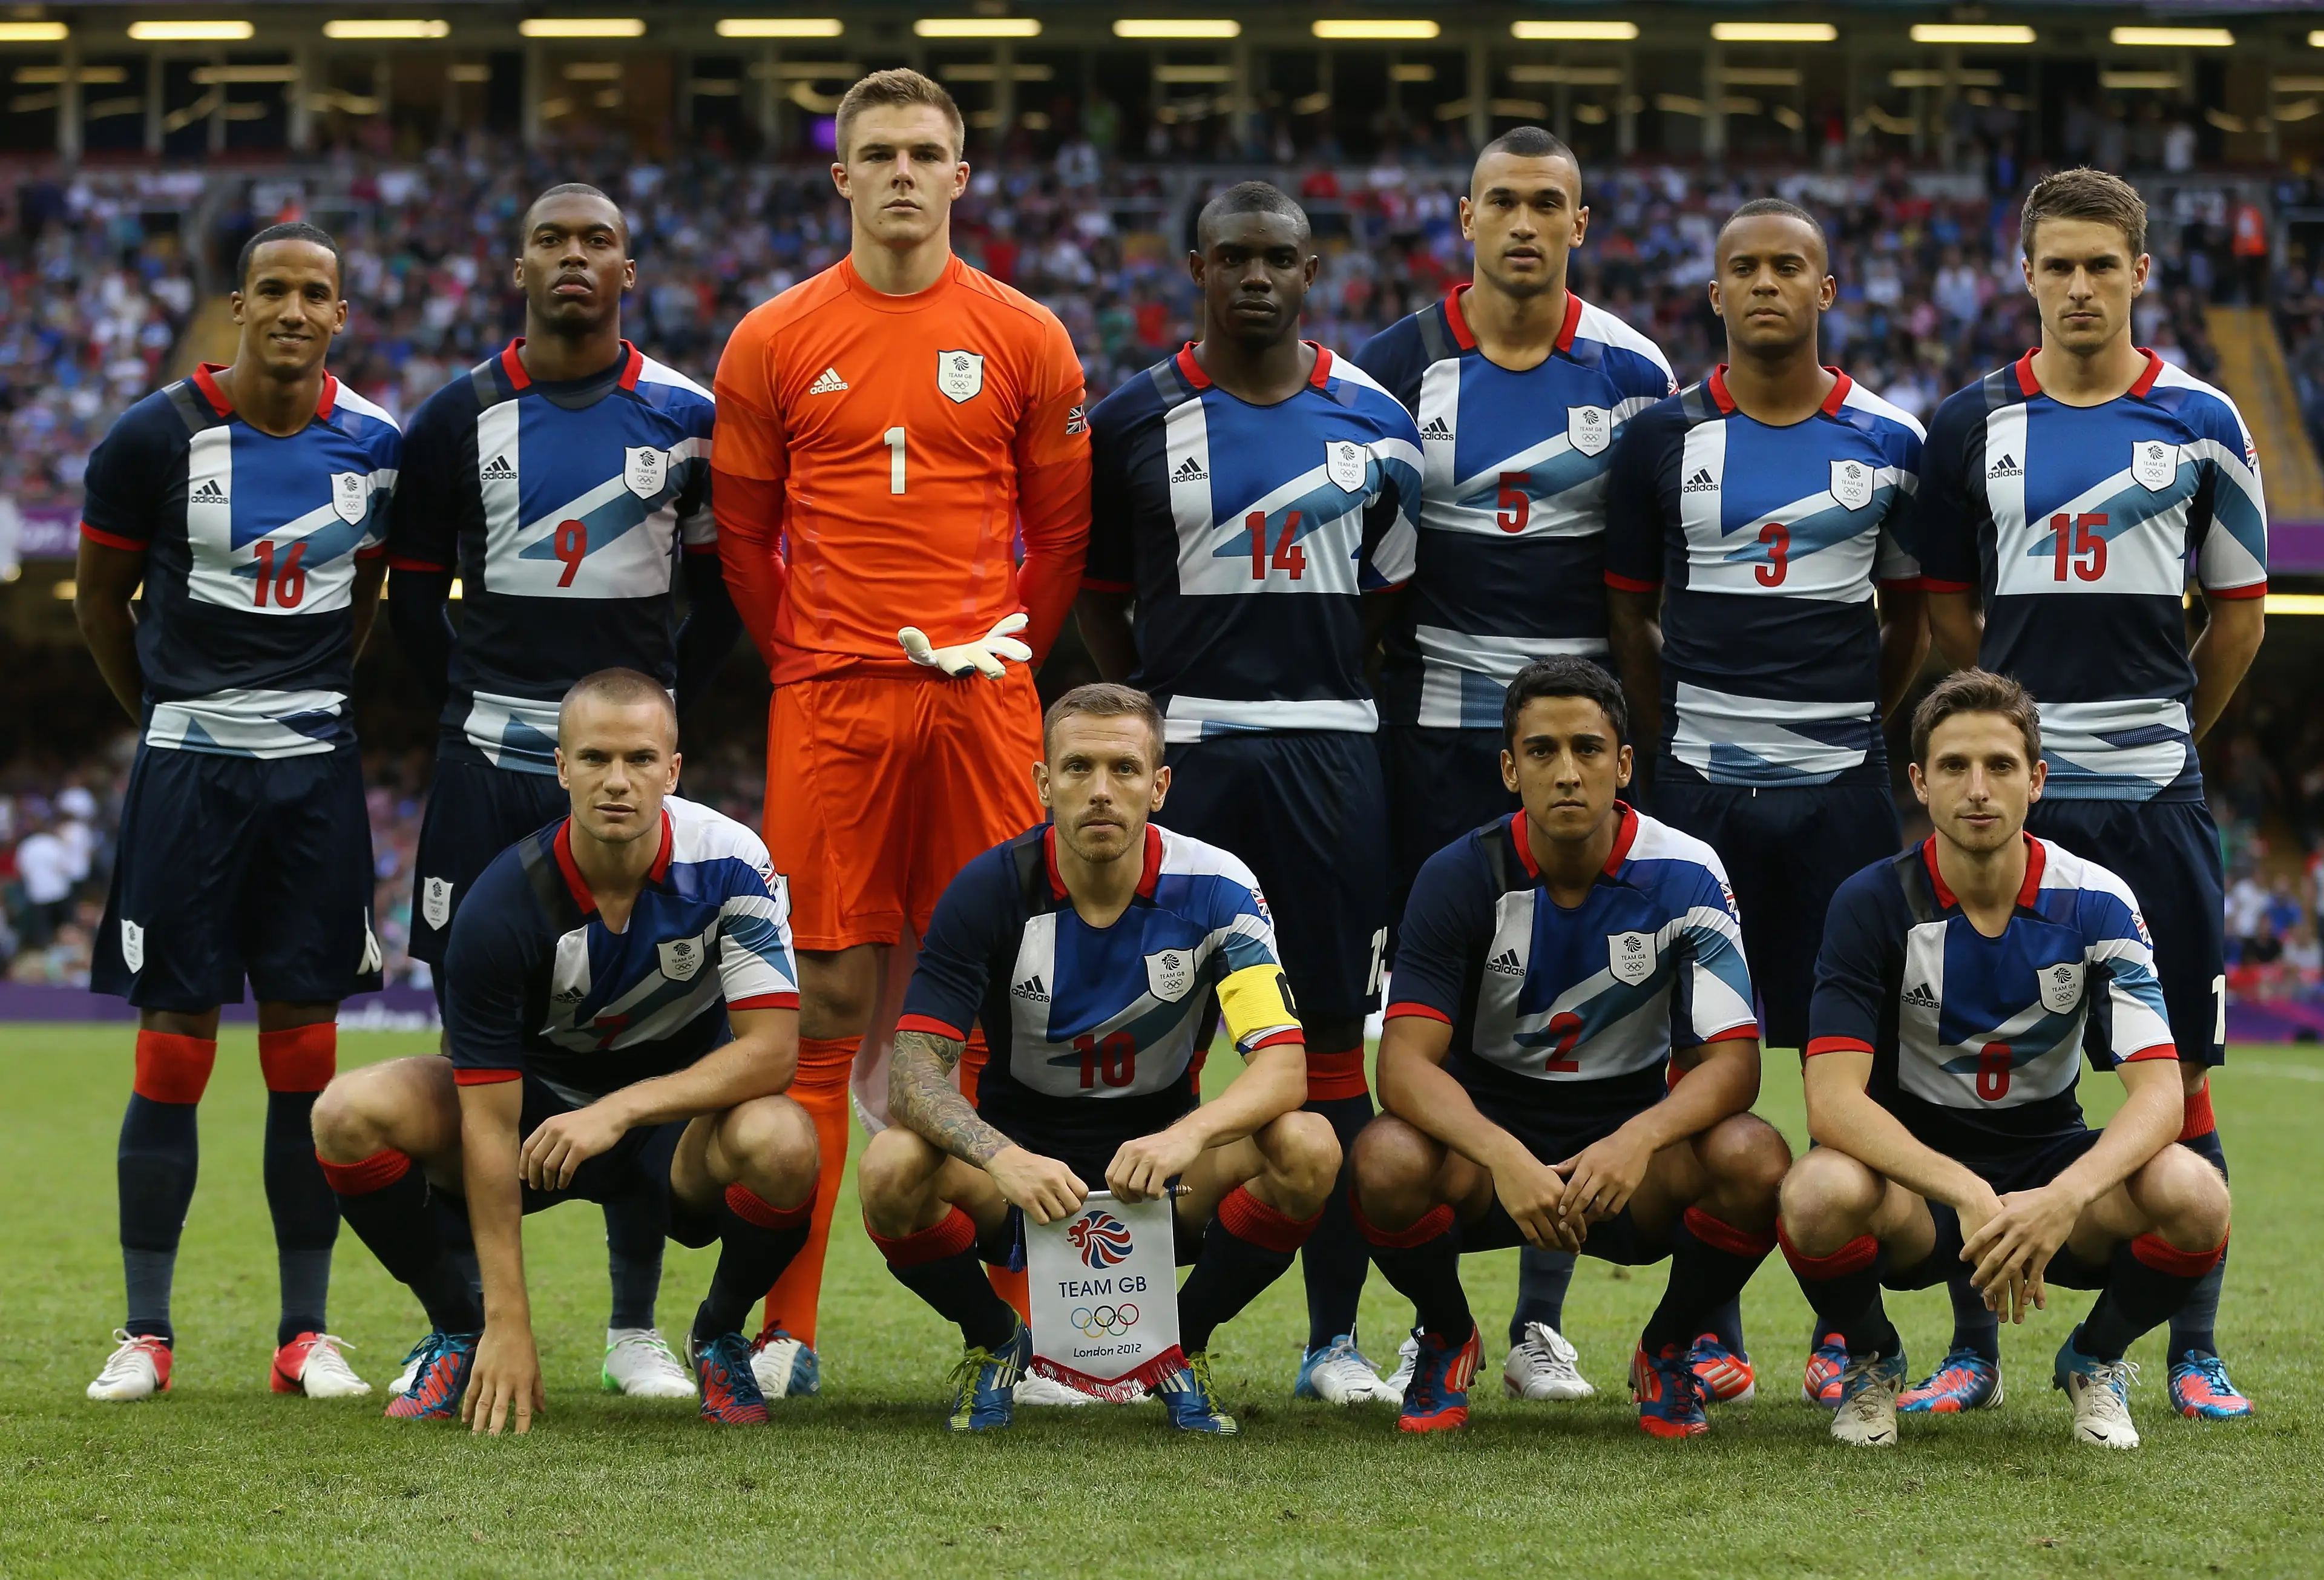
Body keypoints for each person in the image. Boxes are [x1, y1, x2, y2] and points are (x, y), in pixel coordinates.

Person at [712, 68, 1091, 1395]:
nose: (902, 174)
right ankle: (790, 1332)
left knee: (984, 1003)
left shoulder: (1027, 334)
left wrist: (1006, 658)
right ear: (842, 176)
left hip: (985, 703)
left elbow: (1062, 537)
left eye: (927, 152)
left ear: (962, 174)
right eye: (877, 153)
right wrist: (815, 660)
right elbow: (748, 546)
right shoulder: (771, 338)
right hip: (829, 700)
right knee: (822, 1001)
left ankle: (1024, 1332)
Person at [1917, 168, 2266, 1420]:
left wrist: (2169, 739)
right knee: (1972, 1069)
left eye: (2100, 266)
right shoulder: (1967, 426)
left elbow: (2235, 617)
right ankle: (1971, 1350)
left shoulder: (2204, 419)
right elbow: (1952, 621)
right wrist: (2009, 761)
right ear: (2024, 274)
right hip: (2016, 807)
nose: (2078, 287)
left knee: (2190, 1078)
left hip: (2153, 801)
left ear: (2140, 276)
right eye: (2056, 265)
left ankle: (2189, 1350)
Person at [386, 183, 738, 1403]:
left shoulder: (690, 419)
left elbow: (729, 602)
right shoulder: (453, 419)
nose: (575, 258)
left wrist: (658, 708)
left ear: (629, 271)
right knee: (478, 1049)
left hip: (628, 773)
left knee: (645, 1024)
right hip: (490, 769)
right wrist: (483, 710)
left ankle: (635, 1326)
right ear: (518, 265)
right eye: (552, 240)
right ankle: (470, 1322)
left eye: (597, 241)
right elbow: (416, 600)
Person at [1076, 180, 1422, 1406]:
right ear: (1196, 266)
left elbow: (1388, 595)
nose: (1258, 277)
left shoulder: (1379, 421)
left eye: (1280, 258)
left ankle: (1335, 1340)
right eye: (1235, 258)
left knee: (1331, 1039)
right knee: (1149, 1037)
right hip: (1191, 755)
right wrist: (1156, 713)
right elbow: (1092, 593)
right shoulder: (1129, 421)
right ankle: (1121, 1329)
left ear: (1313, 268)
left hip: (1332, 752)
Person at [1353, 125, 1679, 1410]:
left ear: (1582, 225)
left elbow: (1646, 576)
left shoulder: (1634, 369)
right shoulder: (1391, 367)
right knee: (1434, 1017)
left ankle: (1544, 1323)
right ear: (1467, 218)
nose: (1527, 223)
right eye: (1504, 202)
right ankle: (1436, 1326)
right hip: (1433, 737)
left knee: (1578, 1013)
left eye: (1551, 203)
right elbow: (1375, 571)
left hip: (1582, 747)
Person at [1603, 197, 1929, 1407]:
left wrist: (1853, 726)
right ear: (1715, 291)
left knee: (1851, 1052)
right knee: (1704, 1054)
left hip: (1841, 789)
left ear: (1829, 289)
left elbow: (1916, 625)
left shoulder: (1894, 443)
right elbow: (1630, 611)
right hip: (1700, 794)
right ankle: (1711, 1319)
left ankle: (1845, 1322)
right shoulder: (1662, 440)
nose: (1767, 285)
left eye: (1790, 266)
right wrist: (1678, 728)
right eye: (1744, 267)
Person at [310, 670, 819, 1430]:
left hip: (673, 1128)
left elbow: (773, 1054)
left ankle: (717, 1335)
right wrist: (511, 1321)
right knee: (346, 1113)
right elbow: (487, 1122)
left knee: (785, 1142)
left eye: (641, 760)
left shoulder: (733, 861)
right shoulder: (501, 903)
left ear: (673, 771)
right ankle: (460, 1325)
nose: (618, 781)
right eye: (594, 759)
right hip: (536, 1118)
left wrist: (618, 1111)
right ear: (560, 767)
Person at [74, 222, 399, 1404]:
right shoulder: (151, 437)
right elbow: (102, 607)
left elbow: (365, 604)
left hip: (312, 779)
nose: (296, 309)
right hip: (188, 781)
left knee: (306, 1061)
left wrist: (294, 706)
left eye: (318, 292)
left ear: (341, 314)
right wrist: (174, 713)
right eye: (275, 290)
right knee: (172, 1052)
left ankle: (303, 1337)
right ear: (239, 305)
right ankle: (145, 1335)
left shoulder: (375, 445)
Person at [856, 683, 1339, 1434]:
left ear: (1160, 784)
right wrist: (1001, 1157)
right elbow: (915, 1075)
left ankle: (1177, 1346)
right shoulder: (987, 890)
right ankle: (994, 1341)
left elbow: (1283, 1066)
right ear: (1044, 783)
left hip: (1161, 1177)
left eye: (1124, 768)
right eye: (1078, 768)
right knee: (890, 1166)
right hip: (1020, 1181)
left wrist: (1184, 1138)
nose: (1102, 792)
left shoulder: (1219, 888)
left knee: (1309, 1147)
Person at [1777, 670, 2231, 1450]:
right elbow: (1832, 1102)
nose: (1977, 789)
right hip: (1917, 1187)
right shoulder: (1871, 901)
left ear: (2038, 780)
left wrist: (2065, 1194)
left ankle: (2095, 1357)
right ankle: (1874, 1360)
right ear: (1919, 782)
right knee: (1815, 1192)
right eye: (1954, 766)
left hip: (2052, 1160)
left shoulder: (2098, 901)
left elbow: (2160, 1094)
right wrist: (1965, 1189)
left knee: (2197, 1194)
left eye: (2001, 766)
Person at [1348, 656, 1790, 1437]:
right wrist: (1501, 1154)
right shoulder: (1456, 876)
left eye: (1587, 750)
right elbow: (1403, 1067)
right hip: (1488, 1155)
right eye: (1542, 752)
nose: (1566, 773)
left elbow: (1734, 1066)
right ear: (1509, 769)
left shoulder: (1688, 874)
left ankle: (1667, 1347)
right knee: (1383, 1157)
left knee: (1757, 1158)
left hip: (1631, 1152)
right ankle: (1448, 1336)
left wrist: (1638, 1138)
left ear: (1622, 765)